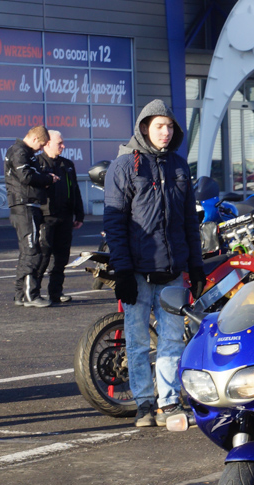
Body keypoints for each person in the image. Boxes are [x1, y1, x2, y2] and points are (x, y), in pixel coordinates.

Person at [104, 100, 205, 429]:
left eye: (171, 126)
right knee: (135, 340)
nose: (166, 132)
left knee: (173, 339)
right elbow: (115, 224)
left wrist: (196, 265)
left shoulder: (179, 165)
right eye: (160, 125)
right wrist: (122, 271)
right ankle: (145, 404)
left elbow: (190, 221)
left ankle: (170, 401)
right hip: (137, 271)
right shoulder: (124, 167)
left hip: (173, 270)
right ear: (144, 126)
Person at [5, 125, 59, 308]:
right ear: (35, 139)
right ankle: (31, 295)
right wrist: (47, 179)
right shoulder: (19, 151)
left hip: (28, 206)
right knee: (32, 250)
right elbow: (26, 176)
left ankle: (20, 295)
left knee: (27, 251)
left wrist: (44, 176)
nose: (41, 149)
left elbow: (30, 174)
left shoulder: (24, 153)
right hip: (24, 206)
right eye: (42, 144)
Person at [38, 130, 85, 304]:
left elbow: (75, 190)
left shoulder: (67, 164)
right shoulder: (37, 163)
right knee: (43, 256)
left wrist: (79, 213)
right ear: (47, 143)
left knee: (61, 257)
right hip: (46, 217)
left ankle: (55, 293)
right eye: (60, 143)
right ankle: (33, 293)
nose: (63, 146)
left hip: (65, 217)